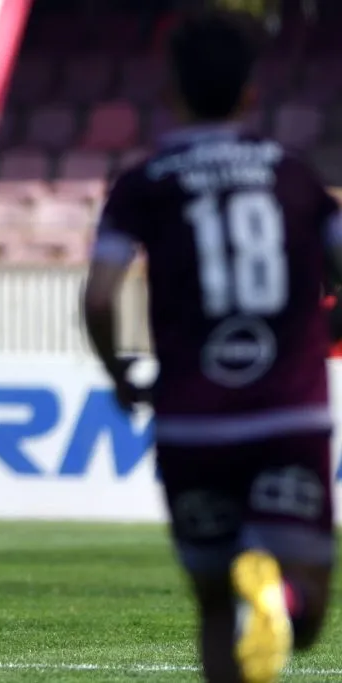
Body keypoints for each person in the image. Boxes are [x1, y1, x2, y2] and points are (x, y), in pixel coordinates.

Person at [83, 12, 336, 683]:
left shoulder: (143, 184)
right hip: (290, 413)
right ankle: (279, 598)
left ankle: (257, 603)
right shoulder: (294, 176)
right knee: (306, 610)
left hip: (191, 418)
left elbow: (102, 298)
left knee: (216, 604)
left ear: (170, 92)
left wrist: (120, 374)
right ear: (253, 92)